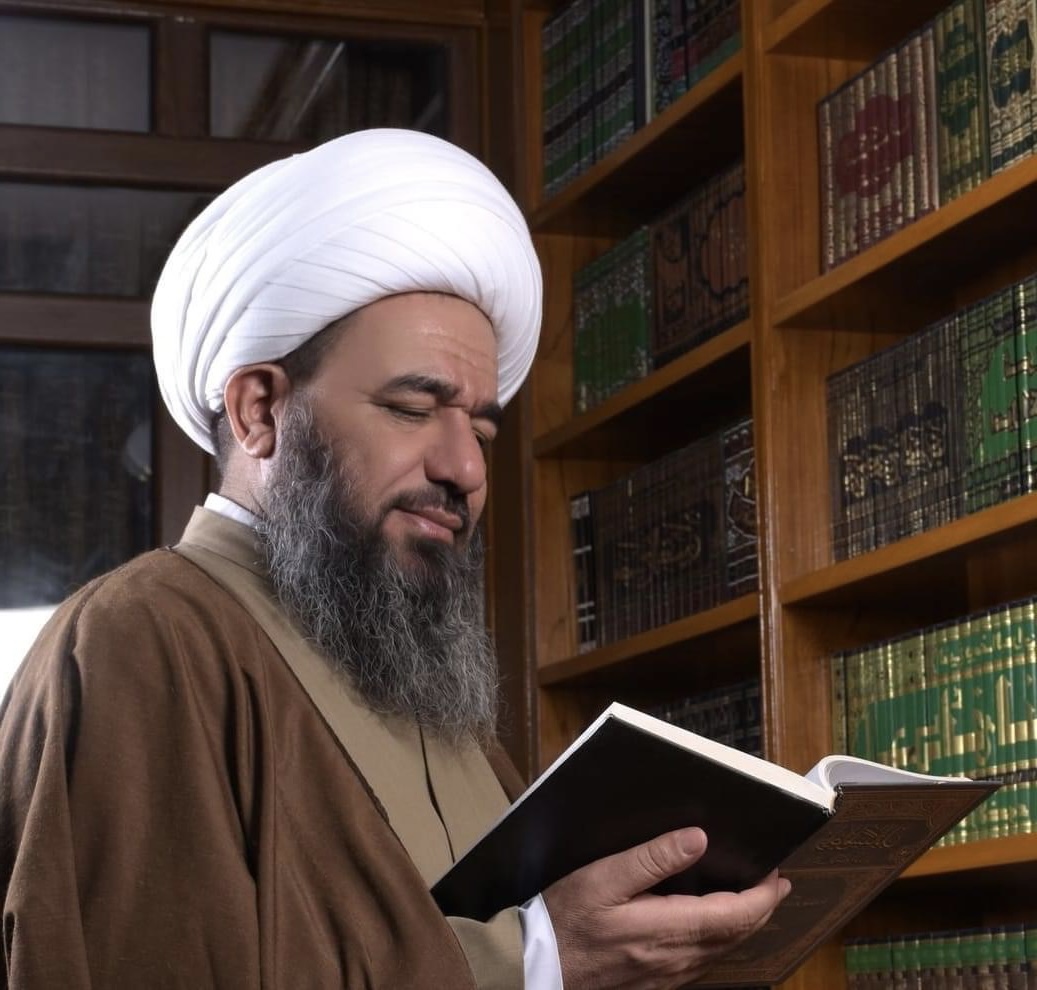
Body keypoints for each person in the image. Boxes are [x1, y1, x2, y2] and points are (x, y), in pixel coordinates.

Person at [0, 128, 790, 989]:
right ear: (260, 410)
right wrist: (539, 961)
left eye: (480, 428)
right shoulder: (142, 639)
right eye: (413, 409)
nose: (465, 469)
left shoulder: (407, 667)